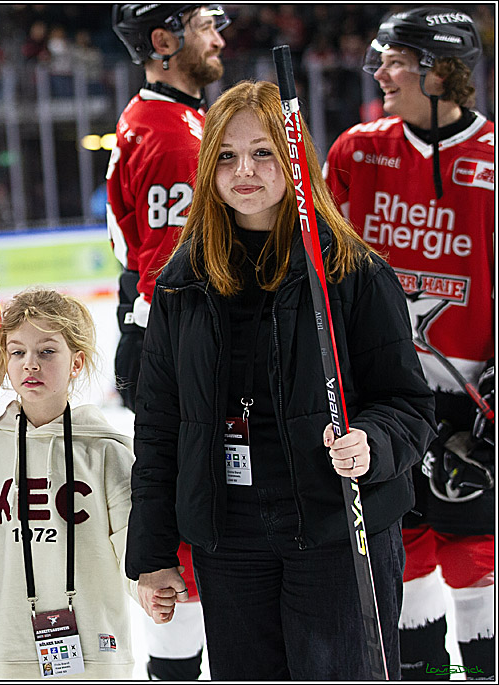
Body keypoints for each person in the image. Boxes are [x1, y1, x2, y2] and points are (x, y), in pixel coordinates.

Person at [127, 80, 436, 680]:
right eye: (226, 154)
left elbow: (408, 403)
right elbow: (159, 429)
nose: (244, 169)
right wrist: (154, 553)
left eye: (264, 151)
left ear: (296, 159)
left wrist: (372, 441)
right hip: (230, 543)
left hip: (338, 534)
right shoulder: (182, 282)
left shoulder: (351, 271)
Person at [324, 8, 494, 680]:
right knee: (399, 544)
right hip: (382, 397)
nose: (381, 71)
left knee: (475, 551)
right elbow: (327, 275)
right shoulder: (356, 150)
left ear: (441, 69)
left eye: (397, 59)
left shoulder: (493, 161)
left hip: (468, 399)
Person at [0, 288, 136, 679]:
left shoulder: (106, 452)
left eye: (47, 351)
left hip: (97, 657)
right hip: (9, 656)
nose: (30, 364)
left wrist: (157, 588)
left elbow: (133, 547)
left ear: (76, 363)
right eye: (17, 352)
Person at [108, 4, 230, 678]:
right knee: (195, 519)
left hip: (161, 341)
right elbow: (178, 266)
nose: (219, 37)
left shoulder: (169, 118)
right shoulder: (172, 132)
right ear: (165, 40)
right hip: (186, 354)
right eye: (208, 24)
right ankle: (177, 665)